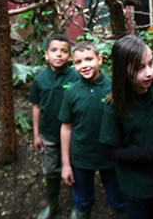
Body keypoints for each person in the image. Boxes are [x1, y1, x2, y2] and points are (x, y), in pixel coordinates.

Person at [99, 35, 153, 219]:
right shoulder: (114, 105)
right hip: (134, 187)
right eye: (139, 68)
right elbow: (112, 152)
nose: (149, 72)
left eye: (150, 63)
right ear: (123, 70)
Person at [59, 42, 124, 219]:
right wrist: (66, 164)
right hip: (81, 157)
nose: (84, 65)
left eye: (89, 59)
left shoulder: (115, 87)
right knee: (82, 200)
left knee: (118, 198)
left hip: (111, 156)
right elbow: (66, 127)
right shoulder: (71, 92)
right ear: (74, 65)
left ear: (99, 59)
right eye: (79, 62)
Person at [29, 35, 81, 219]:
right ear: (46, 54)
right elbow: (36, 106)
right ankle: (52, 203)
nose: (58, 55)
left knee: (74, 168)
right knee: (51, 170)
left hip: (73, 134)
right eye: (54, 50)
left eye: (64, 51)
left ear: (69, 56)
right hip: (48, 134)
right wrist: (36, 134)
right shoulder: (40, 79)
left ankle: (77, 205)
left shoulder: (75, 77)